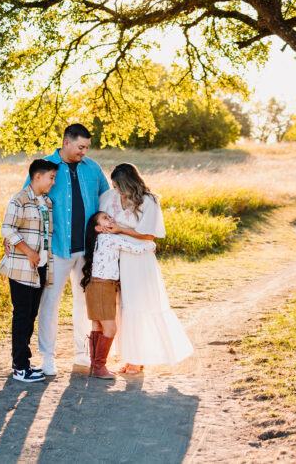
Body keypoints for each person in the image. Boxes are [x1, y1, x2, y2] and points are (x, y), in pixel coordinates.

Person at [21, 123, 111, 376]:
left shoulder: (92, 168)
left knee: (85, 303)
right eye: (80, 147)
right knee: (50, 303)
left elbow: (107, 199)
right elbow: (26, 199)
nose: (84, 152)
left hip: (88, 249)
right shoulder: (45, 167)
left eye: (86, 148)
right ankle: (47, 357)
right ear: (66, 142)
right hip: (56, 249)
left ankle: (83, 352)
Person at [99, 162, 194, 373]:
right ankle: (129, 357)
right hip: (116, 258)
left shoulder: (148, 201)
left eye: (120, 187)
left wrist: (121, 229)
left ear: (130, 183)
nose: (117, 191)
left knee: (138, 305)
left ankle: (138, 358)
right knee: (121, 307)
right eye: (115, 186)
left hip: (139, 259)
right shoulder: (110, 198)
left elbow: (148, 234)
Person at [0, 159, 58, 383]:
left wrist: (40, 257)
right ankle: (19, 367)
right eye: (51, 178)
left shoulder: (46, 202)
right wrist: (28, 252)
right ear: (38, 177)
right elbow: (7, 228)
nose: (53, 182)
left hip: (40, 268)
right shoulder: (19, 200)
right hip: (22, 267)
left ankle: (25, 362)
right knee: (22, 315)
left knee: (31, 315)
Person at [80, 211, 157, 379]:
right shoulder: (109, 239)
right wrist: (152, 244)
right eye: (105, 218)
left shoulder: (99, 241)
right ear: (99, 228)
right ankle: (99, 366)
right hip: (102, 287)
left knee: (97, 326)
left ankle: (96, 367)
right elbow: (136, 248)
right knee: (110, 328)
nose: (111, 219)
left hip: (97, 285)